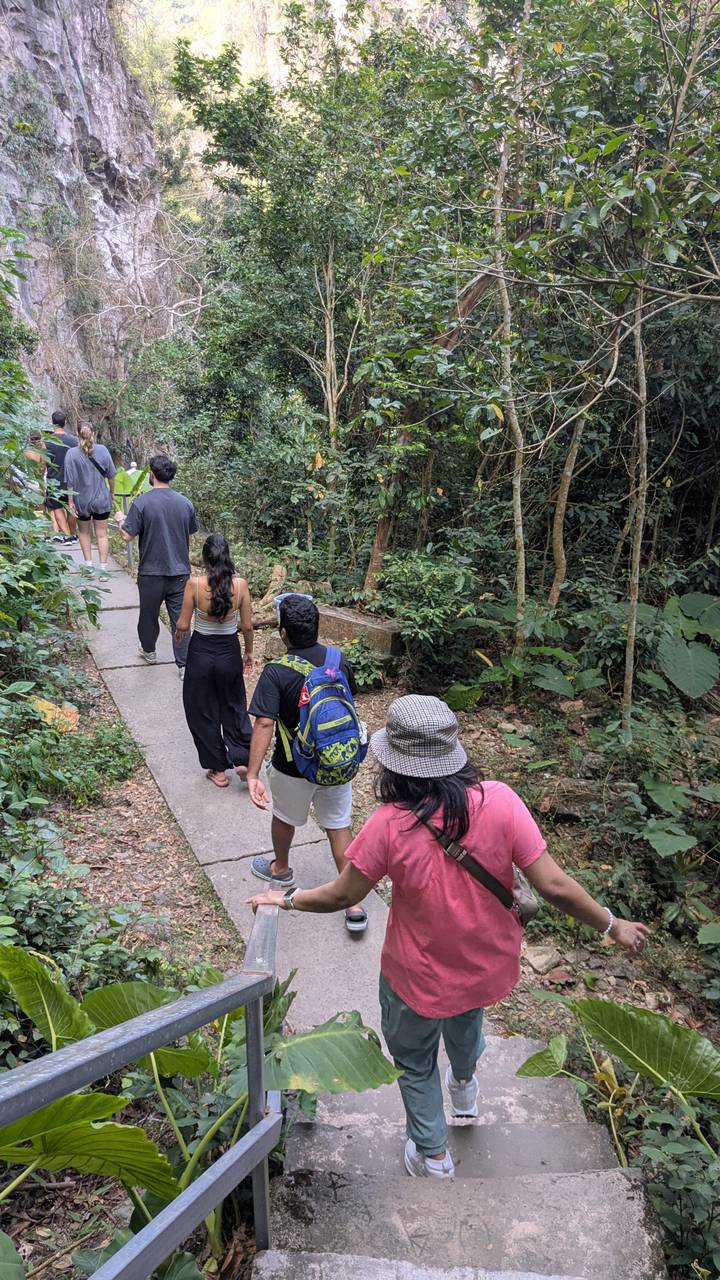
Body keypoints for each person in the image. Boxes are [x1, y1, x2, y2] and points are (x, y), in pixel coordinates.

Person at [248, 694, 651, 1180]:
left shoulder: (387, 826)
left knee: (415, 1062)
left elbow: (340, 895)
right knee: (466, 1023)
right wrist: (613, 923)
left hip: (416, 976)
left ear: (393, 764)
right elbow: (554, 885)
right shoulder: (501, 800)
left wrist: (286, 899)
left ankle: (435, 1157)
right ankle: (464, 1087)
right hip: (484, 963)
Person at [246, 594, 368, 933]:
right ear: (318, 627)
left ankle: (281, 868)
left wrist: (253, 773)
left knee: (285, 817)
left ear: (283, 633)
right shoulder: (338, 660)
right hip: (336, 761)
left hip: (292, 765)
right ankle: (352, 901)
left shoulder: (276, 672)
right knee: (338, 824)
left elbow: (265, 724)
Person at [175, 534, 254, 788]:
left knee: (201, 709)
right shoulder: (240, 585)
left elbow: (183, 624)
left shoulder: (194, 585)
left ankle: (218, 769)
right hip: (229, 653)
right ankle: (242, 759)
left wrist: (178, 634)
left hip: (201, 654)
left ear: (205, 557)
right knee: (234, 704)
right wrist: (248, 652)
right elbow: (247, 626)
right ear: (227, 555)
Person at [115, 453, 198, 677]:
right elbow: (189, 533)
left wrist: (120, 520)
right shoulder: (185, 503)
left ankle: (149, 651)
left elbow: (126, 536)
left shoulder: (142, 502)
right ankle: (183, 665)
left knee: (148, 614)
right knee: (180, 619)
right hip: (180, 571)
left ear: (151, 474)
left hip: (151, 572)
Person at [63, 423, 116, 573]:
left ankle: (88, 567)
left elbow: (70, 482)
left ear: (77, 433)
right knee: (102, 534)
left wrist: (71, 502)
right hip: (101, 499)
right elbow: (111, 475)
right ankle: (104, 569)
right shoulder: (103, 450)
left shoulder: (71, 454)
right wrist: (111, 493)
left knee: (84, 532)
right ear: (92, 433)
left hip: (82, 500)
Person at [43, 410, 78, 544]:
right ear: (65, 423)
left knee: (56, 507)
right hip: (71, 480)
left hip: (53, 480)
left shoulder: (46, 442)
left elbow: (43, 461)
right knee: (71, 507)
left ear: (53, 423)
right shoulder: (74, 440)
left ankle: (67, 535)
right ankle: (72, 534)